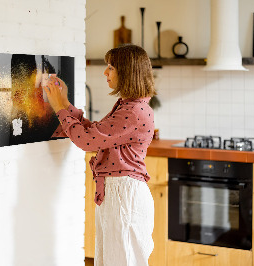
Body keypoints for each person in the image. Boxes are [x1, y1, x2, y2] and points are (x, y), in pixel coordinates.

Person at [44, 44, 156, 266]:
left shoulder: (133, 111)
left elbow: (87, 141)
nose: (105, 72)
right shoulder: (129, 106)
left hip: (124, 195)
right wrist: (65, 103)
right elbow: (95, 133)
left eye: (111, 67)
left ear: (127, 71)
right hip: (119, 193)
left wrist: (59, 108)